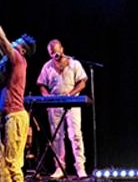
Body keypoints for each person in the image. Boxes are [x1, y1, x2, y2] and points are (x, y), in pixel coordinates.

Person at [0, 16, 36, 182]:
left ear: (22, 50)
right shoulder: (9, 60)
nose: (13, 43)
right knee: (2, 168)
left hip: (14, 116)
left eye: (17, 43)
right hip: (5, 116)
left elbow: (3, 39)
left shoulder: (18, 60)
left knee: (13, 164)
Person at [36, 39, 88, 178]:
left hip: (72, 103)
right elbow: (41, 84)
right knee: (57, 136)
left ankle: (80, 168)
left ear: (62, 49)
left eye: (56, 51)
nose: (54, 55)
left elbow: (82, 83)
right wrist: (47, 98)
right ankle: (59, 167)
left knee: (75, 134)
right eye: (51, 53)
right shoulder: (47, 66)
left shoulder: (74, 63)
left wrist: (70, 94)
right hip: (54, 104)